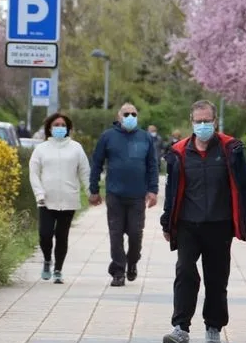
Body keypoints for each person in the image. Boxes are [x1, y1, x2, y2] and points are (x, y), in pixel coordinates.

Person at [160, 100, 246, 343]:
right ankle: (180, 328)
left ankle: (213, 326)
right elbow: (171, 190)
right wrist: (167, 221)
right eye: (198, 121)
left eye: (207, 121)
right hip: (188, 225)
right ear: (191, 122)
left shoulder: (230, 149)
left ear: (215, 121)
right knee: (184, 272)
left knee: (217, 278)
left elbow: (245, 186)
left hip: (219, 224)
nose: (203, 125)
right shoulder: (179, 152)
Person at [89, 103, 159, 287]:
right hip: (115, 194)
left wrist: (153, 190)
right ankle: (118, 271)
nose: (130, 117)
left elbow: (152, 165)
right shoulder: (108, 137)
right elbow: (97, 163)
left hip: (137, 195)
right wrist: (94, 190)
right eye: (126, 114)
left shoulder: (145, 137)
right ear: (119, 116)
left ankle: (132, 261)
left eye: (133, 114)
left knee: (135, 233)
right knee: (116, 233)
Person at [28, 113, 90, 284]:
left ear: (68, 128)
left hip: (69, 199)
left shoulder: (76, 148)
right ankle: (47, 260)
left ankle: (58, 270)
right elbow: (34, 173)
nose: (60, 128)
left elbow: (84, 172)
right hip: (46, 200)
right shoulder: (41, 149)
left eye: (63, 125)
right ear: (49, 127)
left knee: (62, 236)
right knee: (45, 234)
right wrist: (39, 193)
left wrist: (91, 192)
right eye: (56, 125)